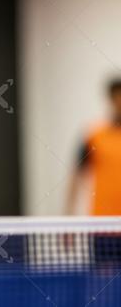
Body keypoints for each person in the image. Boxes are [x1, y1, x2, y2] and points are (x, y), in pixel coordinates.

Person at [66, 79, 121, 269]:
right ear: (111, 99)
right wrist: (68, 221)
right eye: (117, 97)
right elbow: (76, 175)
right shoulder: (94, 135)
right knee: (104, 290)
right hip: (103, 227)